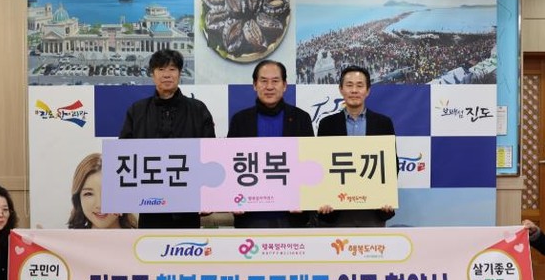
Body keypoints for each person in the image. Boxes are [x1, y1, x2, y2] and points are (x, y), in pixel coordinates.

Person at [119, 49, 216, 228]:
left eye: (172, 69)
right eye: (161, 69)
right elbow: (124, 155)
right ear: (152, 74)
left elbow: (210, 155)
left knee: (186, 246)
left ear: (180, 73)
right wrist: (120, 198)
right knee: (150, 246)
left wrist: (208, 197)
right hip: (149, 202)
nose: (166, 75)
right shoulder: (137, 110)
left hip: (188, 203)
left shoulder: (198, 109)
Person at [227, 59, 314, 228]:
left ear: (285, 85)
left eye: (275, 81)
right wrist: (232, 200)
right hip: (250, 215)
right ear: (254, 85)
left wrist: (305, 200)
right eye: (263, 81)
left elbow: (310, 164)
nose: (269, 87)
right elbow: (231, 165)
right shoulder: (240, 120)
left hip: (292, 215)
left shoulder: (301, 118)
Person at [316, 65, 396, 227]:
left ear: (368, 91)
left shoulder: (383, 123)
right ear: (341, 89)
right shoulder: (327, 124)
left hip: (373, 208)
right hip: (337, 209)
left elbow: (391, 164)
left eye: (359, 85)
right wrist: (324, 198)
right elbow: (321, 165)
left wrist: (386, 196)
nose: (354, 90)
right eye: (349, 85)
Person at [68, 153, 137, 229]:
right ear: (78, 198)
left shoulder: (143, 235)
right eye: (89, 194)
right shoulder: (66, 237)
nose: (100, 205)